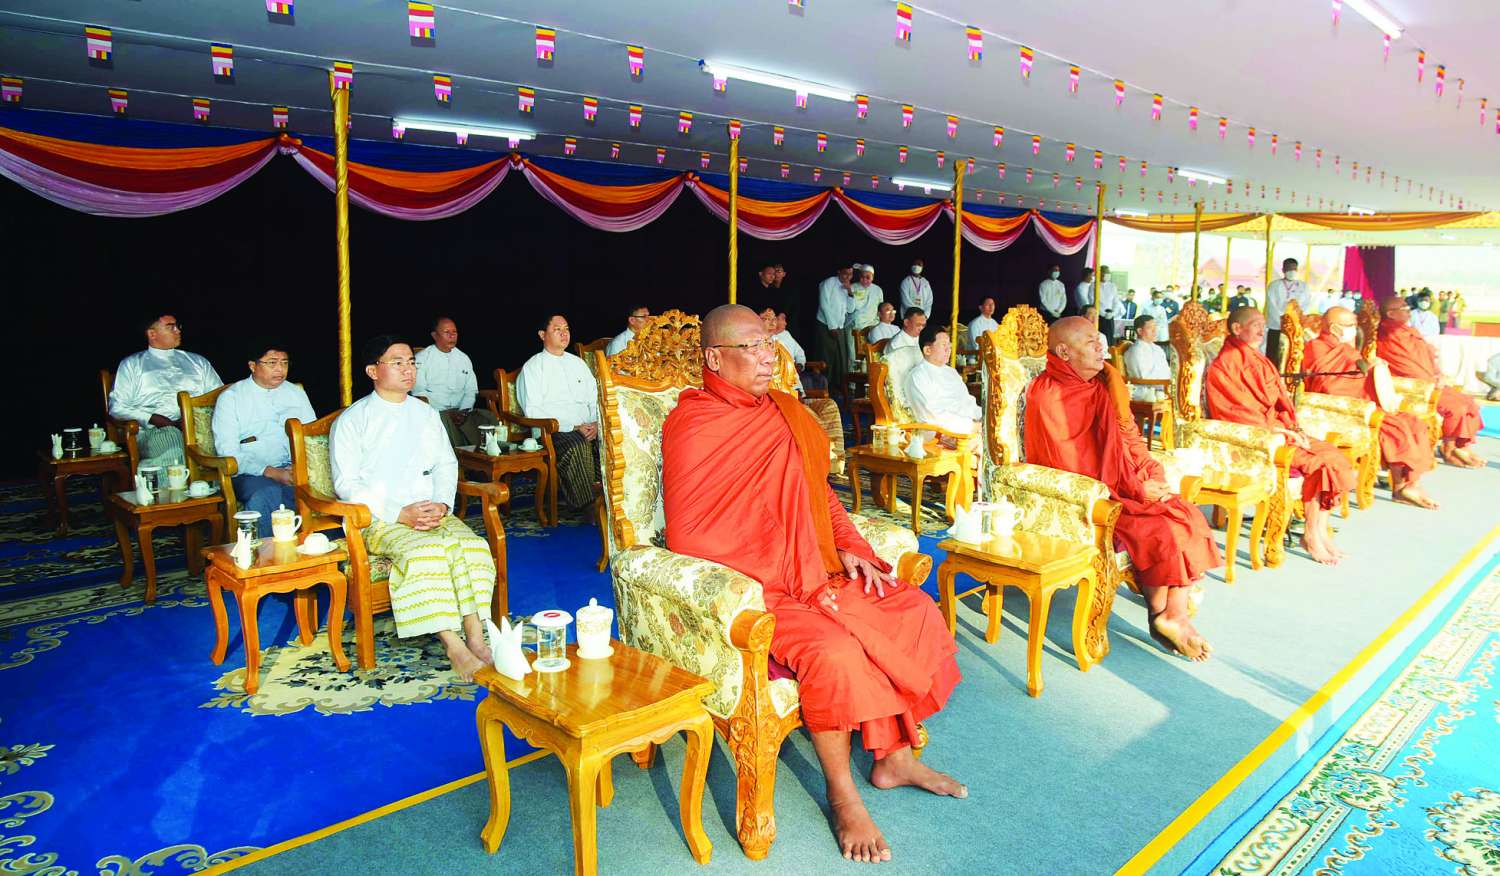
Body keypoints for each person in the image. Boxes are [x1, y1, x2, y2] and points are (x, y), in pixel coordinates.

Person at [662, 304, 965, 863]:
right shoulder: (694, 422)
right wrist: (784, 563)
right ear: (714, 358)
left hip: (813, 568)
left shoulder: (783, 409)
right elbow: (690, 533)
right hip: (757, 585)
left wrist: (849, 547)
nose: (766, 357)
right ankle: (842, 795)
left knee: (910, 607)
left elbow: (818, 493)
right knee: (836, 650)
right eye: (751, 347)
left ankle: (894, 758)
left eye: (768, 344)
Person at [1025, 316, 1221, 661]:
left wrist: (1148, 472)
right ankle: (1163, 615)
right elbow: (1072, 463)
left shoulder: (1100, 384)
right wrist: (1135, 488)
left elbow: (1126, 436)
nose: (1100, 346)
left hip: (1121, 483)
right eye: (1090, 342)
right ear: (1064, 352)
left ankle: (1173, 614)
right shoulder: (1050, 394)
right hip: (1089, 498)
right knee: (1162, 528)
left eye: (1098, 339)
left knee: (1185, 512)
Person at [331, 335, 498, 680]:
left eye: (411, 362)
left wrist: (442, 502)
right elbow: (346, 484)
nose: (408, 370)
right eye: (397, 363)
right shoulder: (353, 419)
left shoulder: (425, 413)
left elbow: (446, 464)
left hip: (430, 511)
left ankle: (476, 636)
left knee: (473, 547)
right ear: (372, 371)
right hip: (381, 518)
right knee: (426, 554)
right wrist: (399, 513)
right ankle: (454, 645)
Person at [1206, 308, 1355, 565]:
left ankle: (1320, 530)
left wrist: (1292, 429)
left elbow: (1279, 403)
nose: (1262, 330)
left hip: (1280, 430)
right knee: (1319, 464)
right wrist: (1278, 431)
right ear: (1237, 329)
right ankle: (1310, 535)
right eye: (1255, 325)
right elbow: (1233, 411)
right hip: (1257, 439)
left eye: (1263, 324)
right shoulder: (1224, 365)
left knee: (1334, 456)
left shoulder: (1259, 359)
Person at [1303, 308, 1438, 509]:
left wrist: (1372, 369)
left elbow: (1358, 374)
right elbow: (1328, 386)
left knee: (1413, 422)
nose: (1354, 329)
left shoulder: (1345, 348)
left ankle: (1411, 483)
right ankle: (1401, 487)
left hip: (1362, 403)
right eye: (1350, 325)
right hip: (1341, 409)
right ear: (1335, 328)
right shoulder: (1317, 347)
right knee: (1396, 427)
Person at [211, 342, 316, 535]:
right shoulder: (231, 398)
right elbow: (228, 452)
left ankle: (323, 548)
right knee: (267, 493)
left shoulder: (296, 393)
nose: (280, 369)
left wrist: (300, 467)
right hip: (251, 473)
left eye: (284, 363)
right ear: (253, 366)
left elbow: (312, 436)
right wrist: (272, 472)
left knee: (321, 488)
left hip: (294, 468)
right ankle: (269, 552)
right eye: (272, 363)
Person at [1377, 297, 1484, 468]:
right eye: (1404, 309)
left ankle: (1461, 446)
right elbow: (1405, 365)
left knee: (1469, 402)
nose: (1408, 311)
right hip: (1415, 387)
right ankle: (1449, 450)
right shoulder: (1386, 335)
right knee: (1457, 407)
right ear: (1390, 314)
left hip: (1430, 381)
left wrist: (1437, 374)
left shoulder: (1410, 331)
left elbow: (1425, 357)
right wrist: (1428, 381)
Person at [109, 313, 223, 468]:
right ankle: (159, 479)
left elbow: (220, 396)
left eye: (178, 326)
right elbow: (117, 408)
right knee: (172, 439)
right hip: (154, 431)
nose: (178, 330)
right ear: (152, 334)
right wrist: (153, 418)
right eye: (171, 327)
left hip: (199, 428)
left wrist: (196, 419)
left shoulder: (197, 362)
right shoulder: (132, 364)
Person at [517, 314, 603, 509]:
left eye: (566, 329)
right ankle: (589, 505)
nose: (564, 334)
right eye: (557, 330)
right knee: (577, 444)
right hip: (553, 432)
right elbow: (532, 410)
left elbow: (595, 398)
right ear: (542, 335)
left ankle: (610, 500)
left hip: (589, 427)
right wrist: (573, 427)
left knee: (613, 439)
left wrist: (596, 424)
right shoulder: (533, 367)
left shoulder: (578, 364)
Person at [413, 317, 497, 447]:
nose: (452, 336)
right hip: (437, 411)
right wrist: (444, 412)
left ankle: (488, 455)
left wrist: (463, 411)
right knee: (446, 422)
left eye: (454, 332)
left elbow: (470, 390)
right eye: (447, 332)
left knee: (487, 417)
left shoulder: (463, 358)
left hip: (462, 411)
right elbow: (419, 393)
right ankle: (461, 456)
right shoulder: (422, 358)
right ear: (434, 335)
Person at [904, 324, 980, 438]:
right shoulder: (917, 376)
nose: (948, 350)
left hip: (971, 427)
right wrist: (971, 426)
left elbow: (968, 402)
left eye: (949, 345)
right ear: (927, 350)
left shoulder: (951, 372)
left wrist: (983, 416)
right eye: (943, 345)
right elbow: (931, 415)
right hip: (941, 434)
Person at [816, 265, 857, 397]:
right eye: (845, 274)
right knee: (827, 358)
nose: (848, 277)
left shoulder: (847, 286)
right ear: (838, 271)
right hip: (826, 325)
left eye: (850, 274)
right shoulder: (828, 283)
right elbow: (825, 306)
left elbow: (850, 309)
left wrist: (850, 291)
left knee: (841, 359)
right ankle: (824, 390)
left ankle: (839, 390)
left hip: (840, 326)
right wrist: (832, 327)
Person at [1264, 258, 1311, 365]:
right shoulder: (1274, 285)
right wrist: (1283, 320)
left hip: (1296, 327)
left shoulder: (1303, 286)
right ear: (1283, 270)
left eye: (1294, 269)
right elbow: (1272, 305)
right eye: (1289, 269)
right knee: (1274, 354)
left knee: (1293, 355)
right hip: (1277, 326)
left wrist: (1295, 320)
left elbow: (1306, 304)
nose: (1292, 271)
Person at [1123, 316, 1170, 402]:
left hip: (1164, 386)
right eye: (1150, 328)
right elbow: (1143, 378)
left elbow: (1166, 370)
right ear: (1140, 331)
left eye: (1155, 327)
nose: (1154, 331)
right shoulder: (1136, 350)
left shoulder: (1157, 348)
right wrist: (1167, 383)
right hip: (1146, 391)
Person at [852, 264, 885, 335]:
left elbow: (881, 309)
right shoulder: (853, 288)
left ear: (872, 277)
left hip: (873, 326)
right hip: (856, 326)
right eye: (862, 277)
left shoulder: (878, 290)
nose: (864, 280)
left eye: (868, 277)